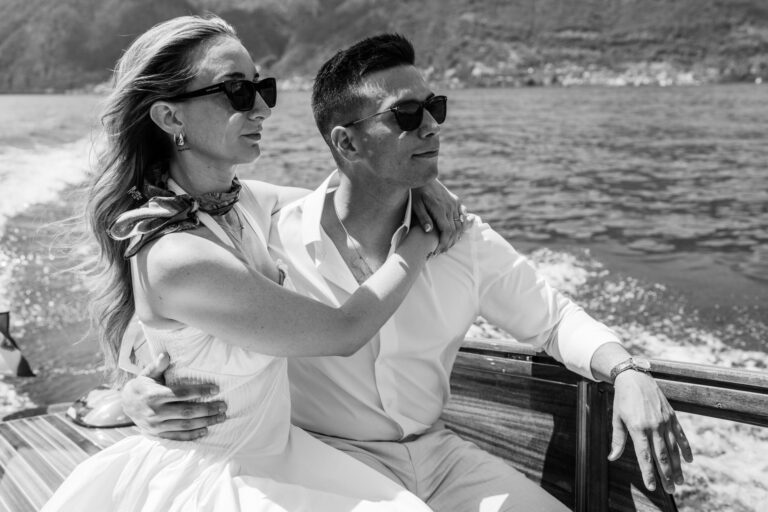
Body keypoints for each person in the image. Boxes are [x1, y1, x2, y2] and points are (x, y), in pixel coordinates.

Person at [123, 34, 694, 511]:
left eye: (434, 109)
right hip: (317, 458)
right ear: (344, 141)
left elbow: (552, 319)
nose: (432, 128)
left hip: (442, 457)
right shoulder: (268, 234)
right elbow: (170, 327)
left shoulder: (461, 238)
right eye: (407, 116)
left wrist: (626, 371)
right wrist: (132, 387)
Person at [42, 17, 480, 512]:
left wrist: (417, 179)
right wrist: (421, 240)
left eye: (261, 87)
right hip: (223, 475)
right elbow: (343, 330)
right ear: (170, 118)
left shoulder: (241, 202)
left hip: (282, 453)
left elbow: (352, 194)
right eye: (236, 91)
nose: (262, 108)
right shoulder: (177, 255)